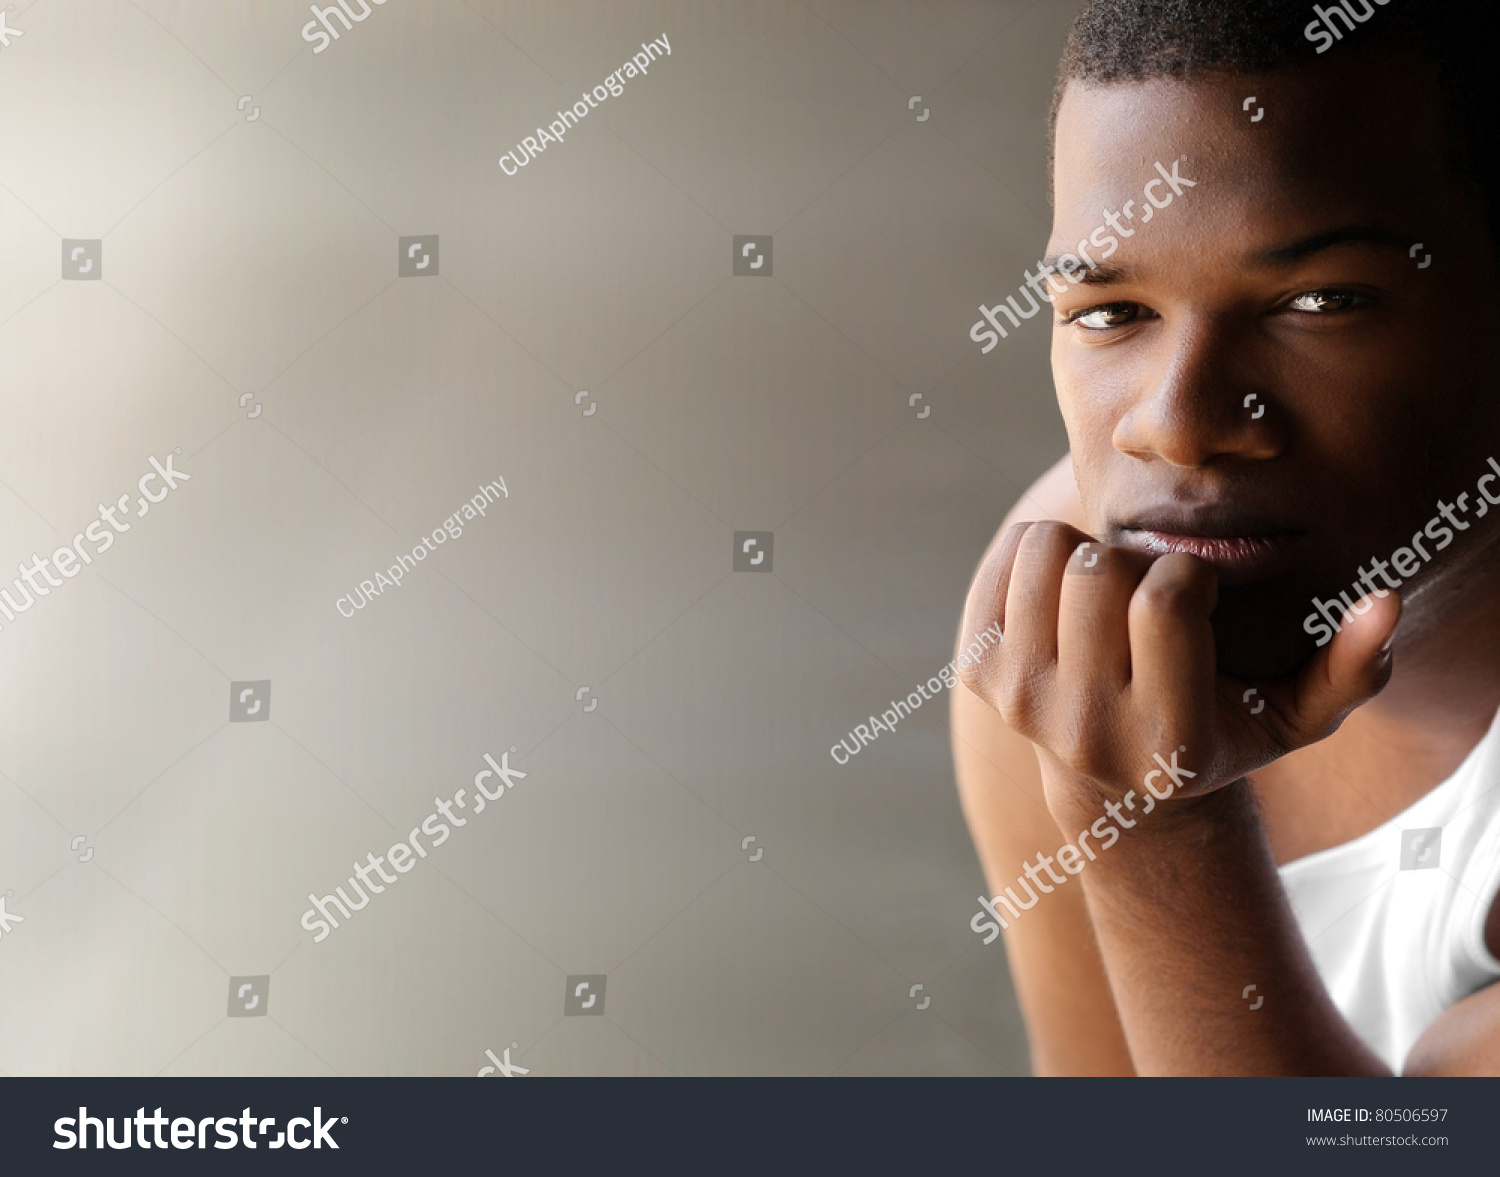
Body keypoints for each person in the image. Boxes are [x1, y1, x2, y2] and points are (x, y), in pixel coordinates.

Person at [952, 0, 1500, 1075]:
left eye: (1321, 299)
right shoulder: (1067, 618)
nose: (1176, 420)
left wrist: (1159, 836)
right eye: (1110, 313)